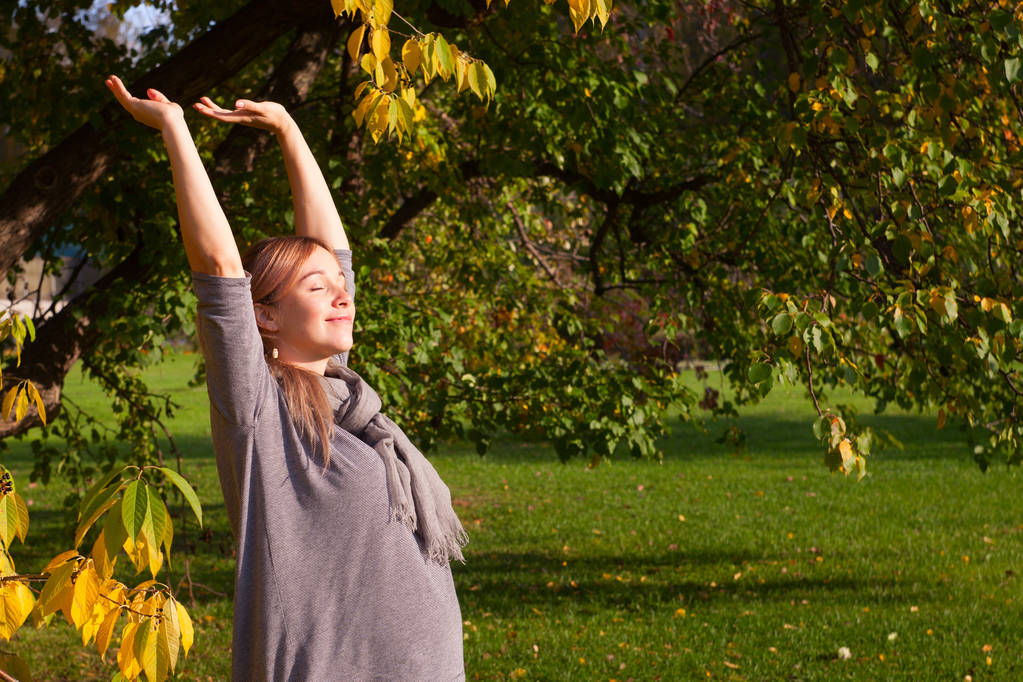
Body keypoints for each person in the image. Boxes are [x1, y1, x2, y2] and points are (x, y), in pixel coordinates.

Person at [105, 75, 467, 681]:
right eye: (317, 289)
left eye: (342, 288)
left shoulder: (348, 402)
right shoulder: (259, 409)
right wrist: (175, 130)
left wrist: (287, 130)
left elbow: (331, 249)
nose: (341, 297)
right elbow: (220, 268)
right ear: (265, 316)